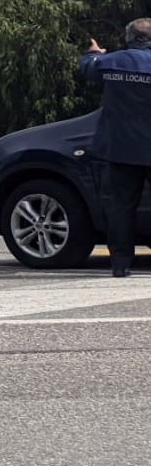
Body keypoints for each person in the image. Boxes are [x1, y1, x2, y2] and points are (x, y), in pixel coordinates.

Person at [82, 19, 151, 276]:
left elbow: (88, 68)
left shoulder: (111, 62)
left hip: (120, 149)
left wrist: (93, 53)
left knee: (121, 208)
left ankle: (120, 264)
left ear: (129, 38)